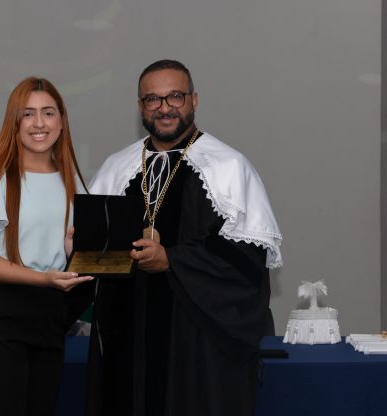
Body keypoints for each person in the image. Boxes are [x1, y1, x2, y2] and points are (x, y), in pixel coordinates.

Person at [86, 60, 282, 416]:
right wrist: (83, 246)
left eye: (174, 96)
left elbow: (247, 262)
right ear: (140, 106)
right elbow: (99, 257)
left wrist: (171, 260)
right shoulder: (117, 167)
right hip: (126, 341)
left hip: (196, 348)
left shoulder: (228, 167)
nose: (164, 108)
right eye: (153, 99)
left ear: (194, 100)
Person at [0, 76, 94, 416]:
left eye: (48, 112)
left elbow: (72, 252)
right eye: (28, 114)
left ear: (62, 121)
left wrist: (72, 252)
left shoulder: (73, 181)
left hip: (49, 318)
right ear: (13, 123)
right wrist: (42, 279)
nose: (39, 123)